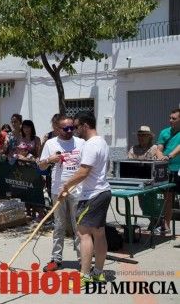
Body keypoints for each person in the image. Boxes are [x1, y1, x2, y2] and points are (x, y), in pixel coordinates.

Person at [59, 111, 111, 285]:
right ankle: (98, 272)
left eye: (76, 126)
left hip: (92, 195)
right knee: (99, 233)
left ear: (85, 125)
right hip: (102, 192)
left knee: (84, 234)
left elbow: (84, 171)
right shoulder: (102, 142)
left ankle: (84, 275)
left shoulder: (90, 144)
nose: (74, 130)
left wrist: (66, 185)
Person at [39, 115, 84, 272]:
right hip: (58, 190)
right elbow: (41, 167)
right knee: (59, 225)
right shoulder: (50, 144)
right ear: (57, 129)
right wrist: (50, 159)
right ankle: (56, 259)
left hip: (77, 190)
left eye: (72, 127)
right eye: (66, 128)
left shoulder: (81, 143)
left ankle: (83, 260)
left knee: (79, 226)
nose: (70, 131)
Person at [155, 108, 180, 235]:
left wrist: (169, 156)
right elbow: (159, 149)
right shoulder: (164, 132)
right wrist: (161, 159)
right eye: (170, 118)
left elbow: (178, 149)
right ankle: (166, 226)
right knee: (167, 199)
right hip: (168, 171)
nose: (170, 120)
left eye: (174, 118)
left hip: (179, 170)